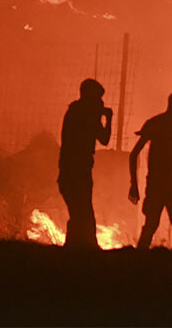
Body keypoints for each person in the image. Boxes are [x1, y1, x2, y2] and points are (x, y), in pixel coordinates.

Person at [128, 91, 172, 256]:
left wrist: (134, 185)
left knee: (152, 226)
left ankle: (138, 263)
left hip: (159, 183)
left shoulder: (156, 123)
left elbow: (133, 154)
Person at [58, 78, 112, 249]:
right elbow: (104, 139)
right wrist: (108, 119)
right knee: (83, 211)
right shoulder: (86, 114)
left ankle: (76, 247)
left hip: (69, 169)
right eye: (98, 98)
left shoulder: (76, 111)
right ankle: (86, 248)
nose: (100, 102)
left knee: (79, 211)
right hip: (78, 169)